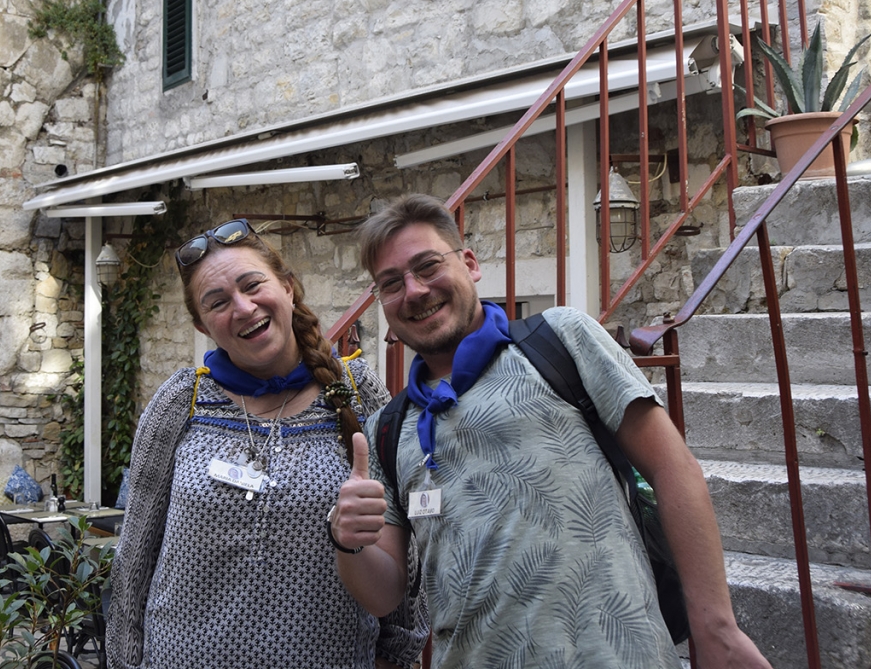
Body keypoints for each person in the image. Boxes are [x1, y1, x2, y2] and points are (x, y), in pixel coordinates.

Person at [330, 194, 772, 669]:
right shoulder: (387, 430)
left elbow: (672, 468)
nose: (414, 291)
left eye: (428, 266)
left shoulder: (561, 339)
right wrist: (348, 541)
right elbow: (385, 595)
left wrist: (716, 627)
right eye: (391, 283)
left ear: (471, 264)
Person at [106, 218, 427, 669]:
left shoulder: (358, 394)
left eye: (252, 285)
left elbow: (405, 558)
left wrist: (397, 656)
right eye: (218, 302)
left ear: (288, 288)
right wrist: (124, 661)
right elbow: (135, 558)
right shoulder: (181, 401)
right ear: (202, 325)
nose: (243, 307)